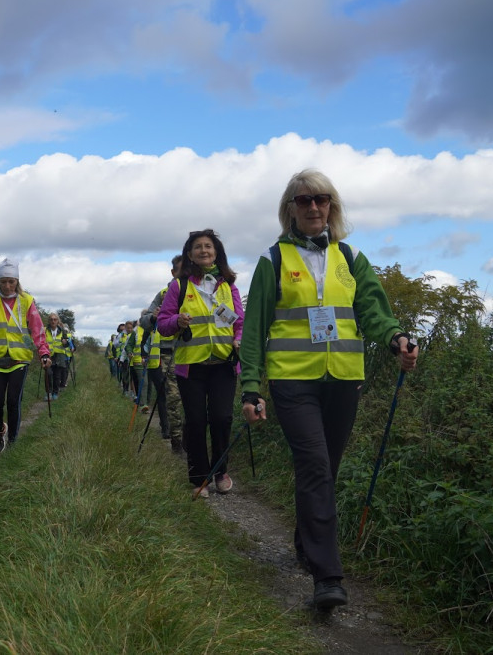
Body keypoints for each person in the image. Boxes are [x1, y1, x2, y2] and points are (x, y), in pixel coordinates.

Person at [238, 169, 418, 611]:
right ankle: (327, 576)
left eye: (322, 200)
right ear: (291, 209)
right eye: (304, 201)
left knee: (325, 469)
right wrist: (250, 387)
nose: (314, 207)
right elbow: (256, 327)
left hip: (342, 379)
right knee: (315, 465)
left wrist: (397, 339)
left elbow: (374, 311)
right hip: (292, 380)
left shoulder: (351, 257)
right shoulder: (273, 260)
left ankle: (306, 541)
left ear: (332, 207)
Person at [157, 229, 244, 499]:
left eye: (208, 246)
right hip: (191, 367)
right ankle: (199, 477)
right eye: (198, 247)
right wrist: (176, 321)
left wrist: (238, 340)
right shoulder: (179, 286)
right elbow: (162, 324)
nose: (203, 251)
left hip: (223, 363)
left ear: (216, 252)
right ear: (190, 254)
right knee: (195, 421)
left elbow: (239, 322)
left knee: (222, 418)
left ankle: (220, 471)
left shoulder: (229, 285)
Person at [0, 258, 51, 451]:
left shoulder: (26, 300)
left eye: (11, 281)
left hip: (19, 358)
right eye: (3, 281)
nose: (7, 286)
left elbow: (37, 329)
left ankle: (13, 441)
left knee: (13, 401)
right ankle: (0, 430)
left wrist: (44, 352)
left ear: (17, 281)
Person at [140, 254, 185, 452]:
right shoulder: (163, 293)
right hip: (167, 354)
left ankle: (191, 438)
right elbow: (144, 320)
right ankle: (176, 439)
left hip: (194, 352)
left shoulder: (200, 290)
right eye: (180, 271)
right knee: (172, 398)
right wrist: (153, 317)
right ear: (173, 272)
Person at [45, 312, 72, 399]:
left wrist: (65, 343)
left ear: (58, 321)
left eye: (55, 319)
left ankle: (55, 393)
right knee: (48, 374)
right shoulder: (45, 330)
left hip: (59, 356)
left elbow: (67, 344)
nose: (53, 321)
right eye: (51, 319)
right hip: (48, 355)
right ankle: (48, 393)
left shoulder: (62, 331)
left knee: (57, 376)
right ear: (49, 321)